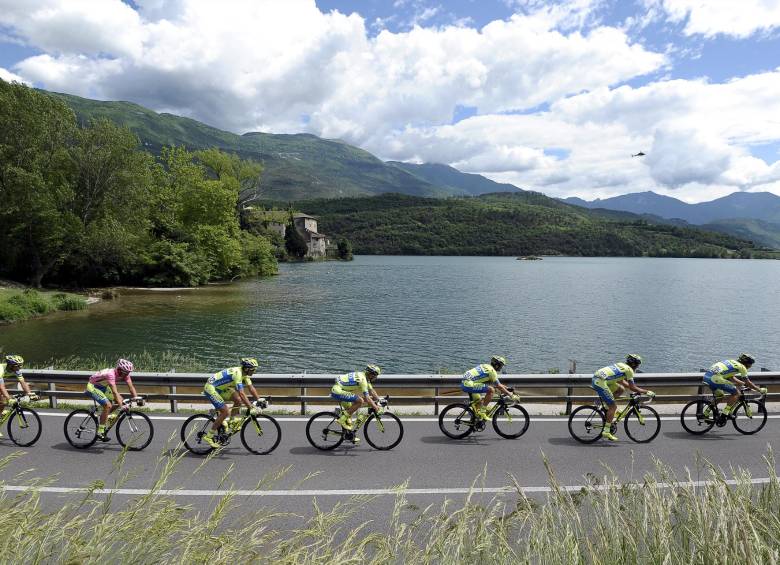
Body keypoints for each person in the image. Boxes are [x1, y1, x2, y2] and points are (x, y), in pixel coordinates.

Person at [591, 354, 655, 441]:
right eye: (638, 365)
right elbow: (632, 387)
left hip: (600, 379)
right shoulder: (629, 370)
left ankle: (607, 407)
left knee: (621, 389)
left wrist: (635, 389)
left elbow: (621, 381)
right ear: (634, 364)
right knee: (613, 407)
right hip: (600, 382)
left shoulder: (621, 365)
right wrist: (646, 392)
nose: (638, 367)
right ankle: (606, 431)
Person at [202, 358, 263, 448]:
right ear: (247, 369)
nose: (254, 371)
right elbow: (242, 393)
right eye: (253, 369)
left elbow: (251, 388)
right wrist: (251, 407)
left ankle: (231, 420)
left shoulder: (244, 374)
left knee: (238, 400)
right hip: (211, 388)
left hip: (221, 388)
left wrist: (259, 400)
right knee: (225, 411)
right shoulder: (237, 374)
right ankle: (209, 436)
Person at [87, 358, 143, 441]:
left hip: (103, 387)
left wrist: (137, 399)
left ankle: (103, 416)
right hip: (93, 386)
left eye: (128, 372)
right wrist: (122, 406)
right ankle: (100, 431)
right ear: (120, 370)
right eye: (126, 372)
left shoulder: (125, 374)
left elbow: (131, 388)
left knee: (121, 401)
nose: (127, 374)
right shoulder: (111, 374)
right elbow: (114, 392)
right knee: (108, 405)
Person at [702, 354, 766, 418]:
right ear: (747, 363)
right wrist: (759, 390)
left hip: (707, 377)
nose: (751, 366)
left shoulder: (731, 362)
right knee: (736, 393)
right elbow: (747, 382)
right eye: (751, 364)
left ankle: (706, 413)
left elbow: (731, 377)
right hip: (715, 379)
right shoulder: (742, 367)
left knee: (720, 396)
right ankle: (725, 413)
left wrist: (743, 384)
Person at [460, 356, 519, 421]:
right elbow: (499, 386)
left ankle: (475, 419)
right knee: (491, 390)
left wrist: (507, 388)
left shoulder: (486, 366)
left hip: (467, 383)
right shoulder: (492, 371)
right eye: (501, 365)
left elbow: (498, 384)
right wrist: (511, 395)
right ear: (497, 365)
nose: (501, 368)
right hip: (469, 384)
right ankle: (482, 412)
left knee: (479, 401)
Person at [331, 364, 383, 431]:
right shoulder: (363, 380)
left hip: (340, 390)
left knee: (350, 410)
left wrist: (379, 400)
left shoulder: (364, 376)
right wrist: (376, 408)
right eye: (376, 376)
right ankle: (342, 419)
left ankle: (349, 435)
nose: (376, 378)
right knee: (360, 401)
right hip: (338, 391)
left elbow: (372, 391)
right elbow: (367, 398)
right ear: (371, 374)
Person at [0, 355, 37, 436]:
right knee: (3, 399)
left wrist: (30, 394)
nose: (20, 367)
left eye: (21, 365)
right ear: (11, 365)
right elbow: (1, 387)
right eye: (18, 365)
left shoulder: (16, 370)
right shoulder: (1, 369)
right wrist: (8, 398)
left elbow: (23, 383)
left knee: (3, 402)